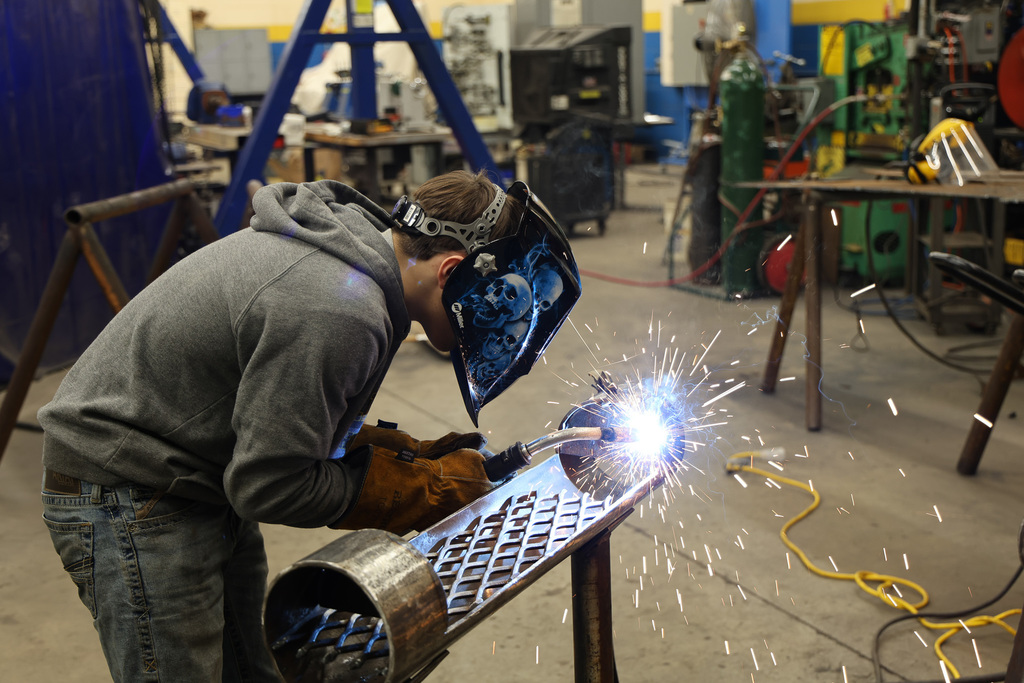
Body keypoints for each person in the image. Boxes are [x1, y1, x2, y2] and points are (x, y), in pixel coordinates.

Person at [37, 170, 580, 682]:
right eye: (504, 309)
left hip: (193, 467)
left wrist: (399, 455)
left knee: (250, 669)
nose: (502, 329)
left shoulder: (361, 261)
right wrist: (415, 489)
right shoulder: (341, 308)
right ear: (450, 271)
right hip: (126, 487)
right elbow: (270, 483)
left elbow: (282, 419)